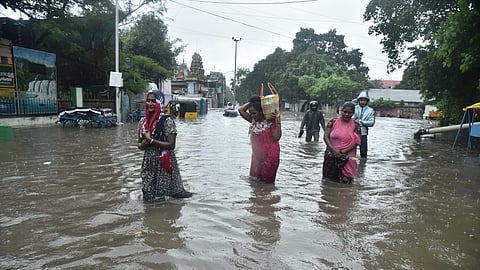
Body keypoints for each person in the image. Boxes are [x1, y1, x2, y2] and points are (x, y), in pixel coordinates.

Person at [137, 90, 192, 202]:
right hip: (149, 163)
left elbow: (171, 145)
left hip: (164, 163)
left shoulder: (166, 121)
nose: (150, 104)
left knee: (165, 197)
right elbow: (139, 144)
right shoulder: (143, 122)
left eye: (153, 101)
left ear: (160, 102)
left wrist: (151, 140)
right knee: (147, 194)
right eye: (148, 101)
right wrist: (144, 143)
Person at [238, 95, 282, 184]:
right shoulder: (254, 121)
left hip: (270, 158)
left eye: (254, 113)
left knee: (267, 186)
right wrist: (254, 102)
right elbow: (241, 110)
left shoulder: (271, 123)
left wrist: (278, 123)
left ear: (262, 112)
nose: (252, 115)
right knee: (254, 183)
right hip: (256, 157)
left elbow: (277, 137)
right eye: (250, 113)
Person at [323, 102, 361, 184]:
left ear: (353, 113)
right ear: (341, 111)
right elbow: (326, 137)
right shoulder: (332, 122)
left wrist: (343, 152)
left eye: (349, 112)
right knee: (328, 181)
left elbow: (356, 142)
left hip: (347, 157)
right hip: (331, 155)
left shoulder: (356, 125)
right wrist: (334, 150)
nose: (346, 114)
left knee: (346, 182)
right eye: (345, 112)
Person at [352, 91, 375, 158]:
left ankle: (363, 164)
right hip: (352, 131)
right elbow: (350, 117)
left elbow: (372, 122)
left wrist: (361, 122)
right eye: (361, 100)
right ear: (358, 100)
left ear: (367, 101)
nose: (362, 102)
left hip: (363, 133)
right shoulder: (354, 108)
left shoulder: (370, 110)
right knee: (351, 150)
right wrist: (354, 120)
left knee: (363, 151)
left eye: (364, 100)